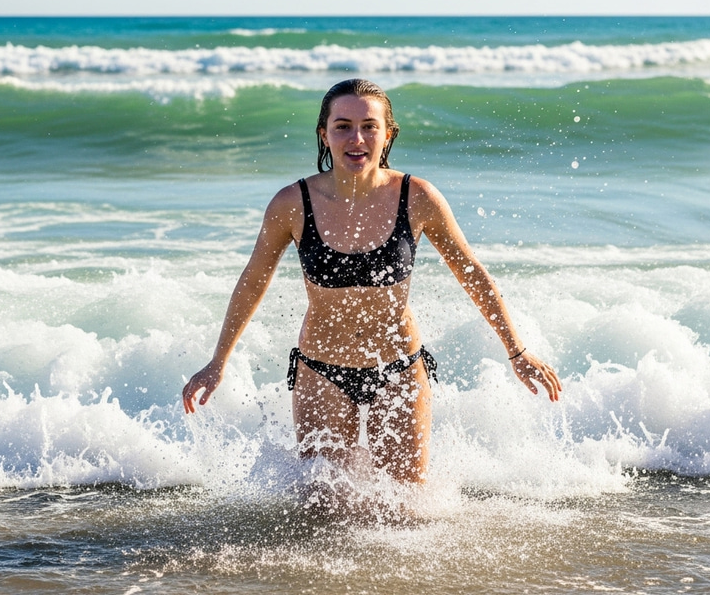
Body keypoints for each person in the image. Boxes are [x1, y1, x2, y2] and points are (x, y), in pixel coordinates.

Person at [182, 78, 561, 484]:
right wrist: (218, 362)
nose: (356, 137)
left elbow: (471, 273)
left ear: (387, 134)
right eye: (342, 125)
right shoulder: (292, 203)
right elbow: (253, 281)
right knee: (323, 513)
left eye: (369, 126)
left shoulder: (417, 197)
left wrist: (517, 353)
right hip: (321, 371)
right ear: (323, 135)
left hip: (398, 369)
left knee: (407, 509)